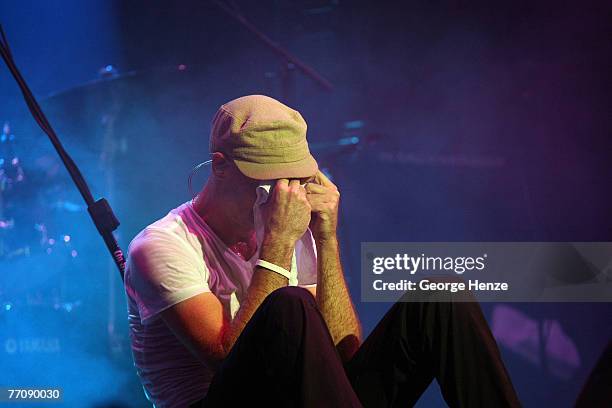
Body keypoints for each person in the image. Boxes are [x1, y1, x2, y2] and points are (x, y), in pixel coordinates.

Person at [124, 95, 521, 407]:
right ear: (221, 166)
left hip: (302, 398)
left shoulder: (293, 225)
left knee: (441, 296)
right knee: (289, 304)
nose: (281, 195)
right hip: (214, 401)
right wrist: (277, 245)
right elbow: (227, 361)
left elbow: (340, 358)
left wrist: (327, 238)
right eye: (268, 182)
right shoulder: (161, 246)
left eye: (293, 180)